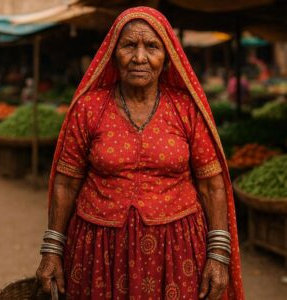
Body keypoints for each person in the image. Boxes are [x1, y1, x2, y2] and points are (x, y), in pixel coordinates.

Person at [36, 7, 244, 300]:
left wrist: (219, 253)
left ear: (168, 57)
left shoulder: (185, 109)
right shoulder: (89, 108)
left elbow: (212, 184)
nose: (140, 57)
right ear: (113, 53)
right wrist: (52, 250)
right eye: (129, 45)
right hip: (99, 252)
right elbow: (65, 182)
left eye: (152, 46)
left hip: (177, 252)